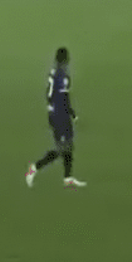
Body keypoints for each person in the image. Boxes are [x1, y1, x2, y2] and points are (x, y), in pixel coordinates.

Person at [26, 47, 86, 188]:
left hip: (56, 113)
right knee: (61, 148)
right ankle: (34, 168)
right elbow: (64, 98)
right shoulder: (63, 76)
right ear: (66, 60)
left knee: (69, 146)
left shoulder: (54, 72)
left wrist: (53, 109)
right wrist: (71, 113)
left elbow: (49, 94)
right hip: (60, 116)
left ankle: (68, 177)